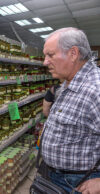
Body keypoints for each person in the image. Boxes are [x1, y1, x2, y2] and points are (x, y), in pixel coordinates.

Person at [41, 27, 100, 193]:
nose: (45, 62)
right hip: (57, 178)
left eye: (50, 55)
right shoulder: (68, 83)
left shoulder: (95, 90)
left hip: (79, 182)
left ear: (73, 54)